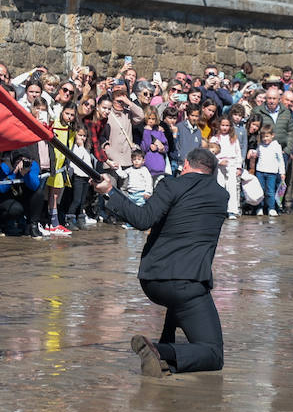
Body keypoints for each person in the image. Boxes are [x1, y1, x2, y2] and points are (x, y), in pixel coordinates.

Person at [93, 146, 229, 377]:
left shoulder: (170, 184)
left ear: (185, 165)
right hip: (189, 283)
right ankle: (160, 349)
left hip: (153, 280)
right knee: (213, 354)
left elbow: (142, 219)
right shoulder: (221, 196)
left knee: (180, 302)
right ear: (211, 171)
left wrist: (110, 191)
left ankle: (163, 353)